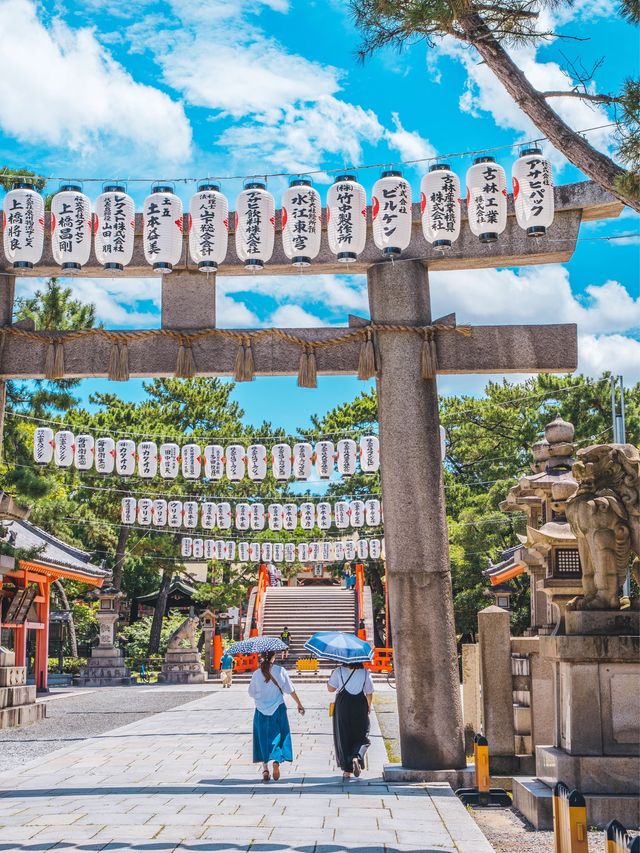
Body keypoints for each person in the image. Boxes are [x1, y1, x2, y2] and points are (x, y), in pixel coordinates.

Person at [248, 651, 305, 782]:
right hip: (278, 708)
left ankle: (265, 769)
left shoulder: (257, 673)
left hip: (261, 710)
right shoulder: (280, 670)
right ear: (273, 657)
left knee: (262, 738)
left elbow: (251, 692)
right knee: (280, 735)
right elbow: (290, 689)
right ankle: (277, 761)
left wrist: (261, 697)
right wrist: (299, 704)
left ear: (262, 657)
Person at [327, 661, 374, 781]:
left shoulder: (338, 671)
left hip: (343, 704)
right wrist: (368, 706)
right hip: (359, 704)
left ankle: (347, 771)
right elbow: (369, 692)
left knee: (343, 735)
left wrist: (331, 676)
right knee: (363, 733)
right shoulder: (365, 672)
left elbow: (331, 689)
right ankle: (357, 756)